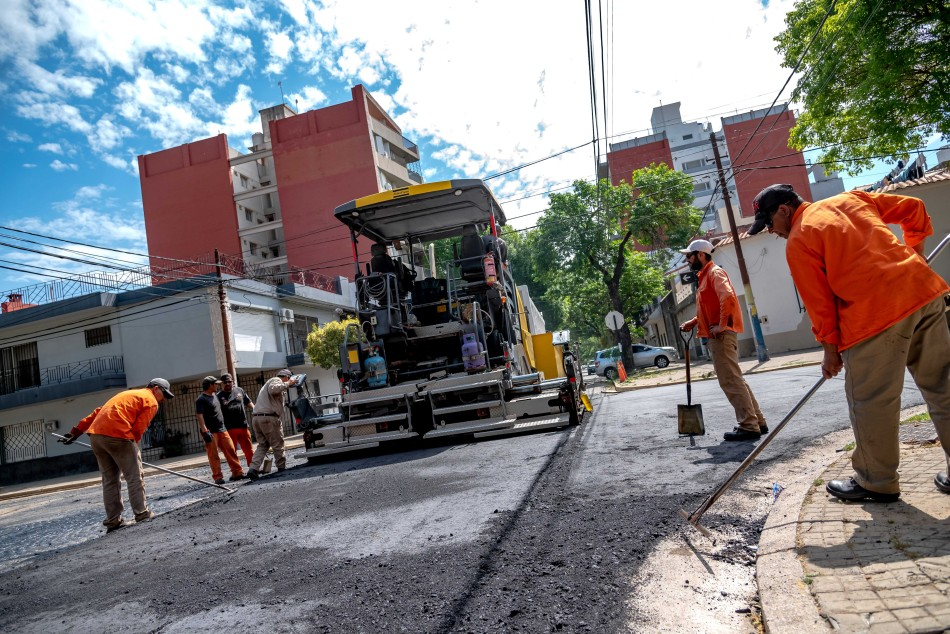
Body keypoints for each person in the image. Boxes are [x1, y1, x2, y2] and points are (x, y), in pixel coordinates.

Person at [747, 183, 950, 501]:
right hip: (923, 293)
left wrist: (830, 352)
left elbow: (820, 305)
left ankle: (876, 480)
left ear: (785, 211)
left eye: (769, 223)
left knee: (872, 403)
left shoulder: (800, 240)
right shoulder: (851, 199)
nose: (770, 231)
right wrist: (917, 254)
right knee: (944, 388)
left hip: (874, 317)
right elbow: (913, 208)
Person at [678, 239, 769, 441]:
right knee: (736, 379)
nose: (687, 260)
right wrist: (694, 322)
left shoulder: (714, 273)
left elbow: (727, 296)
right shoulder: (705, 276)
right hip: (718, 334)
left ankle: (748, 425)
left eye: (689, 256)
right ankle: (757, 422)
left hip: (721, 335)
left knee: (730, 380)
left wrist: (721, 325)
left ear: (700, 255)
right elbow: (709, 307)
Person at [58, 379, 174, 532]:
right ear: (156, 388)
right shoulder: (151, 400)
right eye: (164, 394)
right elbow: (139, 428)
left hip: (96, 437)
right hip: (118, 435)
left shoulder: (126, 394)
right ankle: (142, 514)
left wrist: (76, 432)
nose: (164, 398)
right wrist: (133, 448)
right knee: (134, 476)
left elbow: (98, 411)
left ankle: (113, 521)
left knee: (110, 480)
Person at [247, 369, 298, 481]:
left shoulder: (268, 383)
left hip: (257, 418)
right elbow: (273, 389)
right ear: (286, 377)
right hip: (269, 418)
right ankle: (281, 468)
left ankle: (253, 469)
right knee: (278, 444)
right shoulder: (276, 380)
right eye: (289, 378)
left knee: (263, 445)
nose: (290, 381)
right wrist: (288, 383)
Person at [195, 376, 245, 484]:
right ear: (210, 385)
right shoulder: (201, 399)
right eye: (215, 384)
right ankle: (218, 477)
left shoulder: (215, 396)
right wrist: (205, 431)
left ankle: (237, 472)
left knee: (231, 450)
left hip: (222, 429)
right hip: (211, 431)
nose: (217, 385)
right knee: (213, 455)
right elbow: (199, 415)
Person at [217, 373, 255, 467]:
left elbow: (248, 402)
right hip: (229, 428)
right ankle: (237, 472)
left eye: (229, 381)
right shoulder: (218, 396)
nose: (227, 384)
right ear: (221, 384)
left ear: (232, 381)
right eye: (225, 382)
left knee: (248, 449)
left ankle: (253, 468)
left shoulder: (240, 390)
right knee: (231, 451)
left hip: (243, 426)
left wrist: (256, 410)